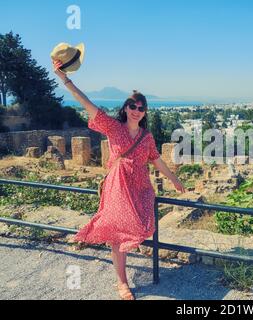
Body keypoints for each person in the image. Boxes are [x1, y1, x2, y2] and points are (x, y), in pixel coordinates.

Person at [52, 59, 186, 300]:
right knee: (116, 233)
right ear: (125, 108)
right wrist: (65, 79)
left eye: (141, 108)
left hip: (139, 187)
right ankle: (122, 283)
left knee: (138, 227)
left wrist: (174, 180)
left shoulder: (147, 137)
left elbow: (156, 160)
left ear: (145, 112)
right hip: (117, 185)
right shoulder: (114, 128)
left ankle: (122, 272)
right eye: (132, 106)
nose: (136, 110)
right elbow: (87, 104)